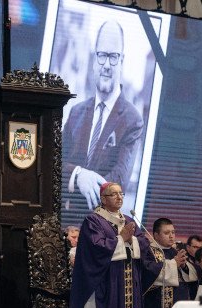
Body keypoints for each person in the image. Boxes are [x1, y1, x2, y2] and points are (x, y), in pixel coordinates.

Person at [69, 181, 148, 308]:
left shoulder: (129, 220)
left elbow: (143, 244)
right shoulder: (93, 221)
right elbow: (95, 248)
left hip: (127, 283)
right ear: (103, 199)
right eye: (114, 194)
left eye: (121, 193)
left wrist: (130, 241)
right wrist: (121, 240)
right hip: (104, 283)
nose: (119, 197)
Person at [62, 20, 144, 211]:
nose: (107, 65)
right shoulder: (76, 113)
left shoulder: (132, 120)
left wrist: (85, 182)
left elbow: (120, 178)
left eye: (113, 56)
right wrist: (78, 174)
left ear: (122, 61)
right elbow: (56, 163)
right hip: (65, 220)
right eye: (102, 55)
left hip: (102, 223)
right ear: (94, 59)